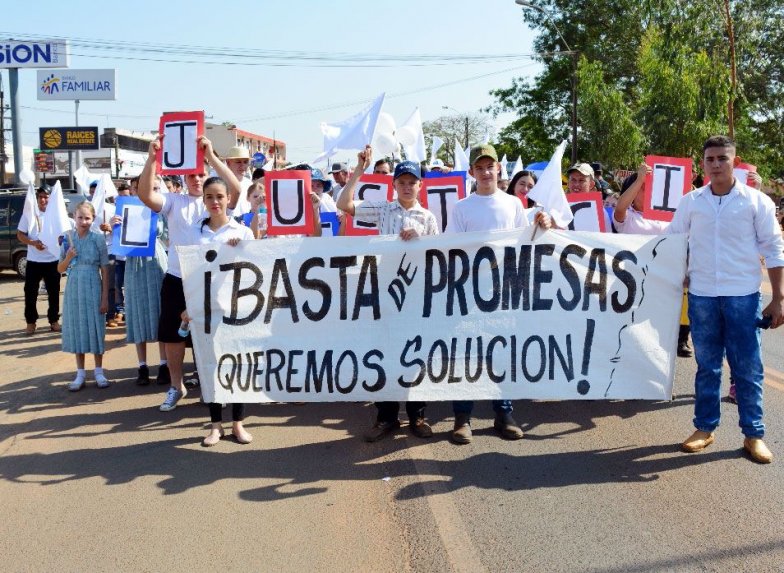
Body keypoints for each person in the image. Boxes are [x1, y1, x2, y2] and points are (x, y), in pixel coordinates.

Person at [671, 135, 784, 464]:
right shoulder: (691, 202)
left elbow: (774, 250)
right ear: (703, 163)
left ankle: (754, 434)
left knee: (748, 368)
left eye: (722, 158)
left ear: (735, 161)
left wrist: (778, 298)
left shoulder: (756, 202)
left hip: (743, 296)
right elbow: (673, 241)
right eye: (710, 159)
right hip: (703, 296)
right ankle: (704, 428)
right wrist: (680, 273)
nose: (716, 164)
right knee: (707, 367)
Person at [446, 144, 552, 444]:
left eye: (490, 166)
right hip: (469, 292)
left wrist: (543, 224)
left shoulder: (513, 205)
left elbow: (525, 241)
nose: (485, 172)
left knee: (501, 353)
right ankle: (462, 417)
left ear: (498, 169)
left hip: (503, 291)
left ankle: (504, 412)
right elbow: (448, 248)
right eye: (479, 167)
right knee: (467, 355)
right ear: (472, 172)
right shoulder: (461, 207)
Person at [338, 146, 439, 442]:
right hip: (384, 293)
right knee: (384, 354)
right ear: (394, 184)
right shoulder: (383, 209)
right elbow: (345, 204)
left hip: (416, 295)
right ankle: (387, 417)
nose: (407, 187)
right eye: (402, 182)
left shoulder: (428, 218)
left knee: (415, 354)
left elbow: (437, 254)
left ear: (420, 185)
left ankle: (418, 414)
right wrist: (358, 170)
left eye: (412, 182)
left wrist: (421, 239)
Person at [138, 134, 241, 412]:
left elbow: (236, 189)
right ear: (184, 178)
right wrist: (152, 159)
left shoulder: (216, 199)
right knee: (172, 335)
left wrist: (211, 157)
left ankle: (209, 385)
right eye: (191, 175)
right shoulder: (174, 201)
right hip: (177, 277)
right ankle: (176, 386)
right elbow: (146, 195)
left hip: (209, 280)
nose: (196, 179)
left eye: (201, 174)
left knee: (207, 335)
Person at [179, 175, 255, 446]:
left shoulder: (242, 232)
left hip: (237, 309)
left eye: (219, 197)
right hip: (205, 310)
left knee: (238, 365)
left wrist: (239, 252)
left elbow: (255, 271)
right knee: (210, 366)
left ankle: (238, 423)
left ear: (228, 199)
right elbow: (189, 272)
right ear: (204, 199)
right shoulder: (194, 232)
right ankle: (215, 426)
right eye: (209, 197)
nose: (214, 202)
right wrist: (189, 306)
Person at [613, 163, 693, 357]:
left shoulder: (671, 219)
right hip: (631, 286)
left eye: (650, 187)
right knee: (631, 335)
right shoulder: (628, 218)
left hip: (665, 285)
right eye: (642, 188)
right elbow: (620, 208)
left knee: (659, 339)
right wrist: (640, 178)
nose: (646, 191)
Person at [111, 177, 170, 386]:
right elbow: (116, 243)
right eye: (139, 188)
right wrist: (113, 228)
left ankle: (164, 364)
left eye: (154, 188)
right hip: (134, 263)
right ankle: (142, 366)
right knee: (136, 311)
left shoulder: (160, 209)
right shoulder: (123, 211)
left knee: (160, 311)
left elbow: (167, 235)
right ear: (134, 190)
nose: (146, 191)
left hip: (156, 260)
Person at [58, 202, 111, 391]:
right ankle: (80, 373)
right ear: (74, 217)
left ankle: (98, 371)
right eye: (80, 217)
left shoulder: (98, 239)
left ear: (93, 219)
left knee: (96, 326)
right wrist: (68, 257)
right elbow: (60, 269)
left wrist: (105, 297)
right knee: (78, 326)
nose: (83, 221)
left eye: (87, 218)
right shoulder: (67, 238)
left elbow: (105, 269)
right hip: (74, 285)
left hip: (93, 283)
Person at [17, 186, 61, 335]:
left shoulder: (56, 214)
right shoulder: (29, 214)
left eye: (46, 197)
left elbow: (64, 234)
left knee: (54, 293)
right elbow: (20, 235)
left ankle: (54, 320)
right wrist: (33, 243)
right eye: (40, 197)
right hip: (34, 261)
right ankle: (31, 322)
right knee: (30, 293)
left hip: (52, 261)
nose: (43, 200)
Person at [223, 146, 252, 214]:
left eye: (245, 162)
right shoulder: (221, 184)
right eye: (238, 162)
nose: (242, 165)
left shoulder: (249, 184)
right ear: (228, 163)